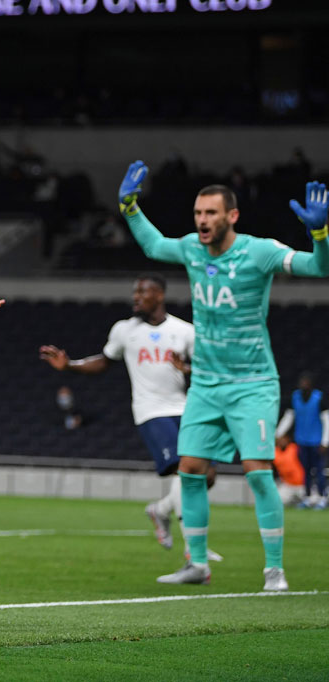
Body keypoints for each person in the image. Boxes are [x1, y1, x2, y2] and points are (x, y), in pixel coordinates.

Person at [117, 160, 329, 589]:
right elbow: (154, 245)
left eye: (211, 213)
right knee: (191, 469)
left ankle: (274, 570)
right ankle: (197, 563)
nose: (202, 221)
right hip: (207, 385)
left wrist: (320, 236)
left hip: (252, 383)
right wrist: (129, 206)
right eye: (198, 214)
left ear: (232, 216)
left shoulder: (259, 250)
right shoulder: (193, 249)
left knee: (256, 468)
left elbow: (318, 268)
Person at [39, 275, 221, 560]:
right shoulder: (124, 330)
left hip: (185, 409)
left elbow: (207, 370)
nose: (136, 297)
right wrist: (70, 365)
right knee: (185, 470)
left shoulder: (185, 331)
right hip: (150, 411)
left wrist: (185, 369)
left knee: (207, 475)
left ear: (159, 296)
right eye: (135, 292)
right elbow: (104, 361)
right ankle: (193, 550)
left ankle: (160, 510)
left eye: (143, 292)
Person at [275, 373, 328, 509]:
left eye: (306, 382)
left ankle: (322, 498)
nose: (303, 385)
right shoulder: (296, 397)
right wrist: (279, 433)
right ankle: (307, 497)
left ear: (311, 384)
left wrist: (325, 441)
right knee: (306, 471)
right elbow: (289, 417)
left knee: (319, 470)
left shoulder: (319, 398)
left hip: (316, 441)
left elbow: (326, 420)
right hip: (302, 440)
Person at [273, 439, 307, 507]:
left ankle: (298, 501)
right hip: (287, 484)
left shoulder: (294, 448)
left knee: (310, 500)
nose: (281, 441)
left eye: (283, 438)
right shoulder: (274, 452)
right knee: (277, 501)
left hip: (301, 484)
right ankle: (294, 501)